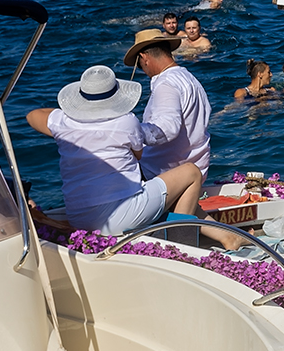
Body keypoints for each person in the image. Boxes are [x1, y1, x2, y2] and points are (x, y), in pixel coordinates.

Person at [26, 65, 239, 245]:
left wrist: (72, 120)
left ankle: (224, 235)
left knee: (163, 189)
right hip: (119, 216)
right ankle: (180, 244)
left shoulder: (63, 122)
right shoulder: (126, 121)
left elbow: (33, 115)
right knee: (190, 173)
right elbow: (138, 155)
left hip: (79, 216)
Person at [125, 28, 214, 184]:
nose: (143, 70)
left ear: (144, 57)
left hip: (162, 173)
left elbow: (167, 128)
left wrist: (128, 130)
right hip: (198, 168)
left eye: (139, 65)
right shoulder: (189, 78)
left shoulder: (166, 83)